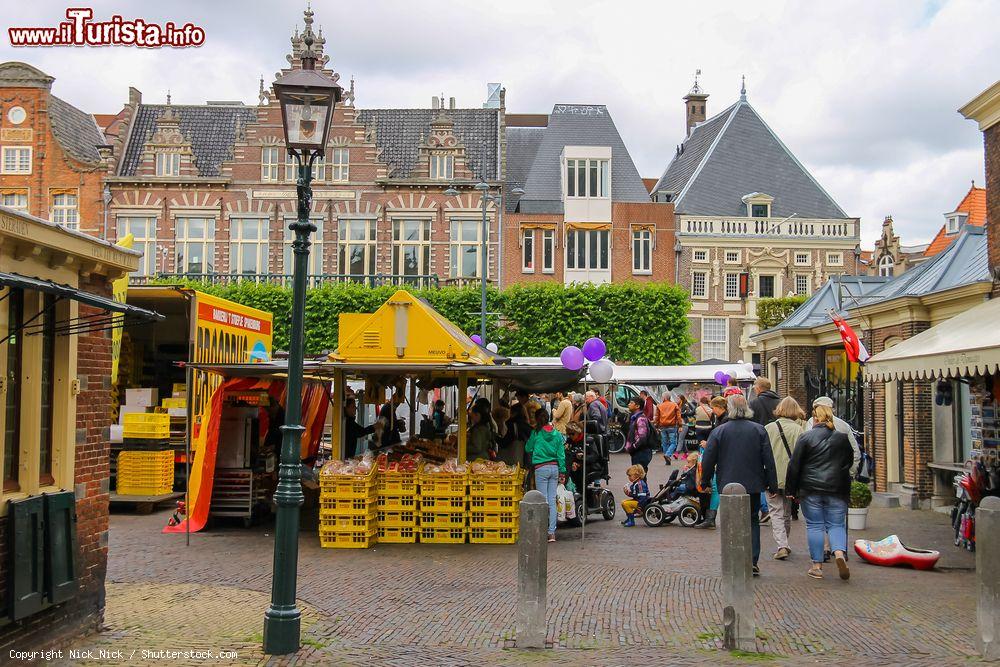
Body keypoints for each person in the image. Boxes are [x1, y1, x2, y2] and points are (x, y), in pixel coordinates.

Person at [701, 394, 778, 575]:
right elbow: (769, 459)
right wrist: (772, 484)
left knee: (729, 522)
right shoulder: (758, 430)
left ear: (729, 409)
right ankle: (751, 560)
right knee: (752, 520)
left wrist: (705, 481)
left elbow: (708, 459)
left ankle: (733, 559)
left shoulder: (719, 431)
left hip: (727, 484)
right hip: (752, 484)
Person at [785, 402, 854, 581]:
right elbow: (848, 461)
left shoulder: (806, 438)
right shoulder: (842, 438)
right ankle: (839, 553)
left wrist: (791, 490)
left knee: (815, 525)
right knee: (836, 524)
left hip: (811, 489)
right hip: (837, 489)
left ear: (815, 418)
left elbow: (794, 465)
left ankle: (817, 566)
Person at [763, 396, 806, 560]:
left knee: (775, 511)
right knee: (787, 512)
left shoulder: (768, 428)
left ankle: (782, 544)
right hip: (791, 478)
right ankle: (784, 543)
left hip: (772, 477)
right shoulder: (799, 430)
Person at [525, 407, 567, 543]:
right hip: (554, 468)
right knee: (552, 501)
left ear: (537, 419)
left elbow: (528, 448)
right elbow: (561, 455)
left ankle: (542, 530)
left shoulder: (536, 433)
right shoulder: (557, 434)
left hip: (541, 469)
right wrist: (562, 471)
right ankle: (551, 533)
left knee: (543, 501)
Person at [694, 396, 729, 529]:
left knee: (715, 487)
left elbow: (722, 441)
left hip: (721, 459)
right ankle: (710, 518)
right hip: (720, 458)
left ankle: (711, 519)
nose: (712, 411)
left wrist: (708, 444)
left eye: (713, 408)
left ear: (720, 407)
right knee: (715, 487)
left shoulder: (724, 421)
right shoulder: (721, 419)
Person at [806, 396, 861, 477]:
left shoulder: (811, 423)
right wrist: (850, 473)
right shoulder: (844, 425)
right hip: (839, 476)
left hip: (815, 476)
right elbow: (855, 452)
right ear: (832, 409)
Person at [624, 396, 654, 472]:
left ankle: (641, 484)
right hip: (638, 452)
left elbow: (642, 437)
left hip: (641, 452)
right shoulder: (635, 418)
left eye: (631, 403)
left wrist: (632, 447)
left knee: (638, 475)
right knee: (640, 475)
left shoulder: (640, 419)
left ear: (637, 406)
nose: (629, 404)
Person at [654, 392, 682, 465]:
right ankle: (668, 455)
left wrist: (656, 426)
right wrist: (680, 425)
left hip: (662, 426)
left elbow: (657, 417)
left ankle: (667, 456)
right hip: (672, 426)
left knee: (664, 443)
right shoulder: (674, 405)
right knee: (673, 443)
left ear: (664, 398)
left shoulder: (659, 406)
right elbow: (678, 416)